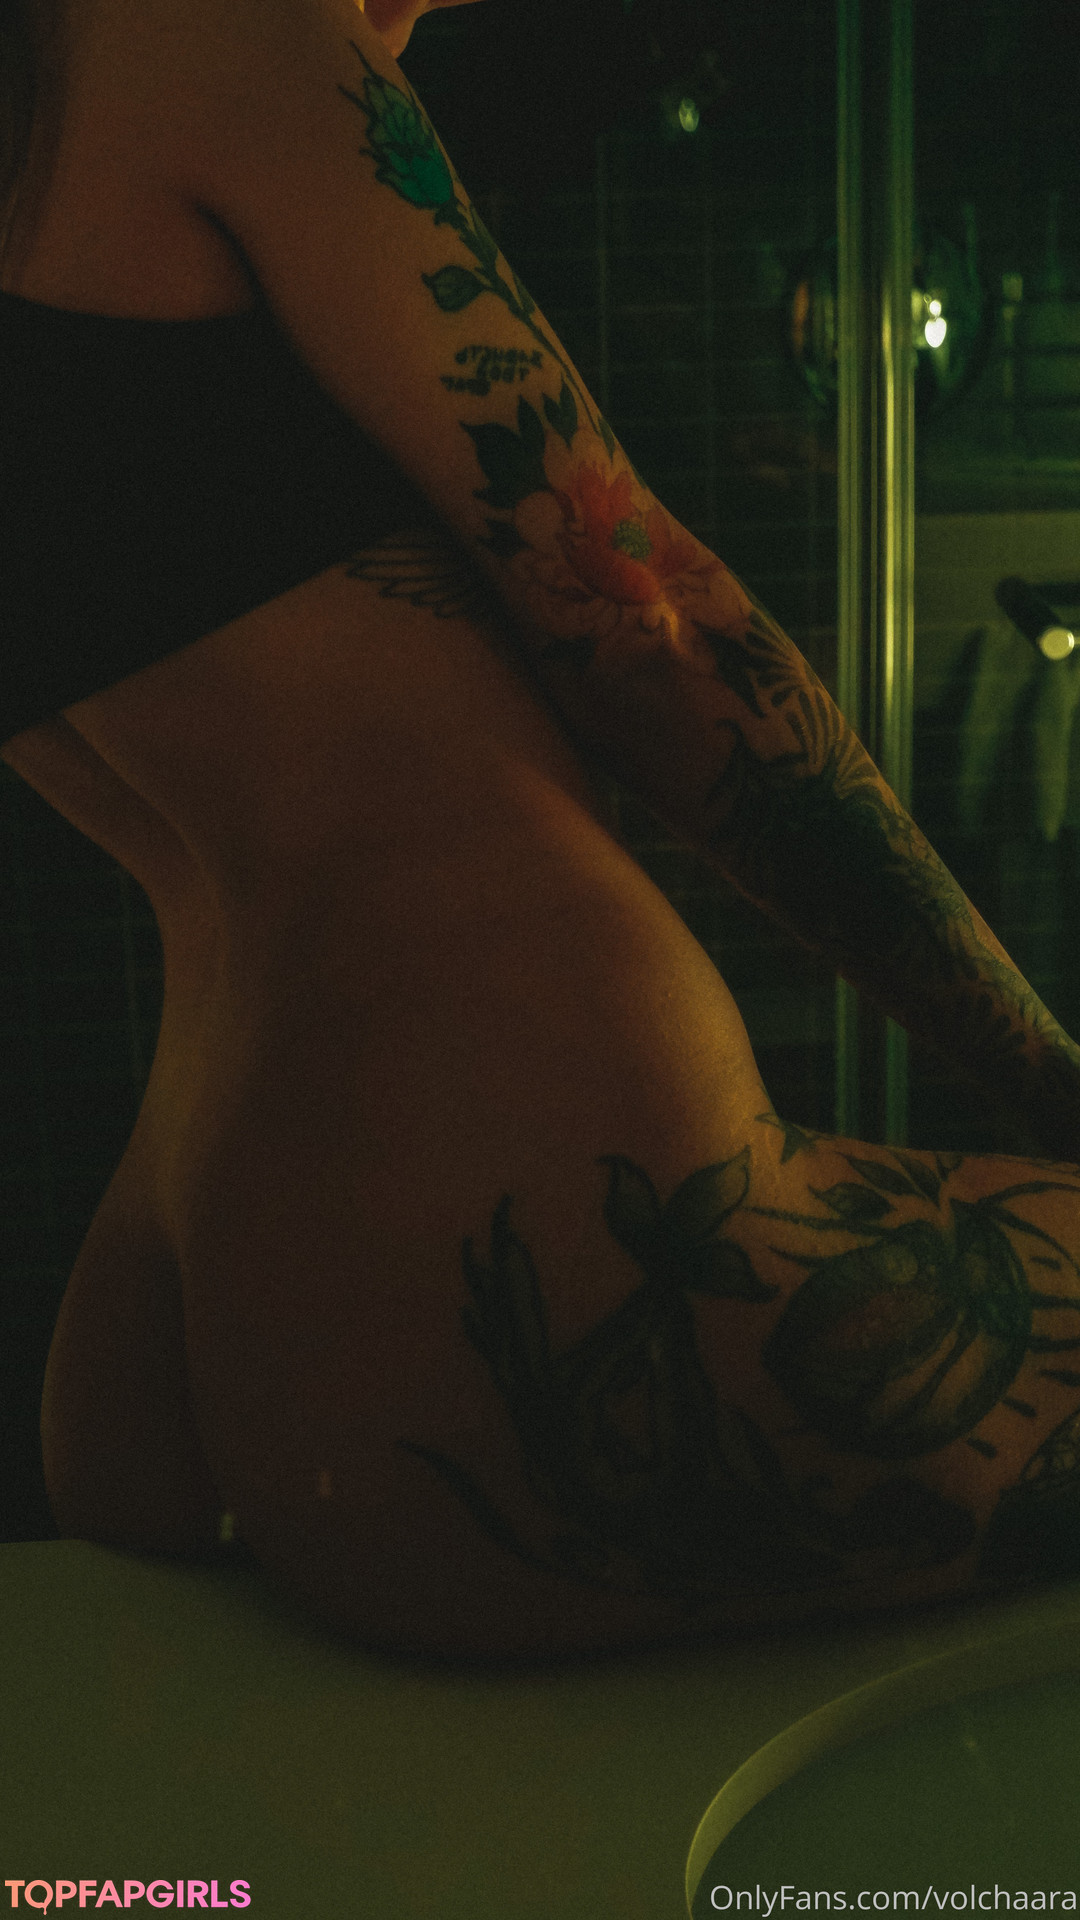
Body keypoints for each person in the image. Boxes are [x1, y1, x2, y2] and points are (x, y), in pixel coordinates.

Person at [3, 0, 1080, 1663]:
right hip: (501, 1219)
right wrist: (1054, 1080)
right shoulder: (216, 30)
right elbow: (654, 632)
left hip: (194, 1255)